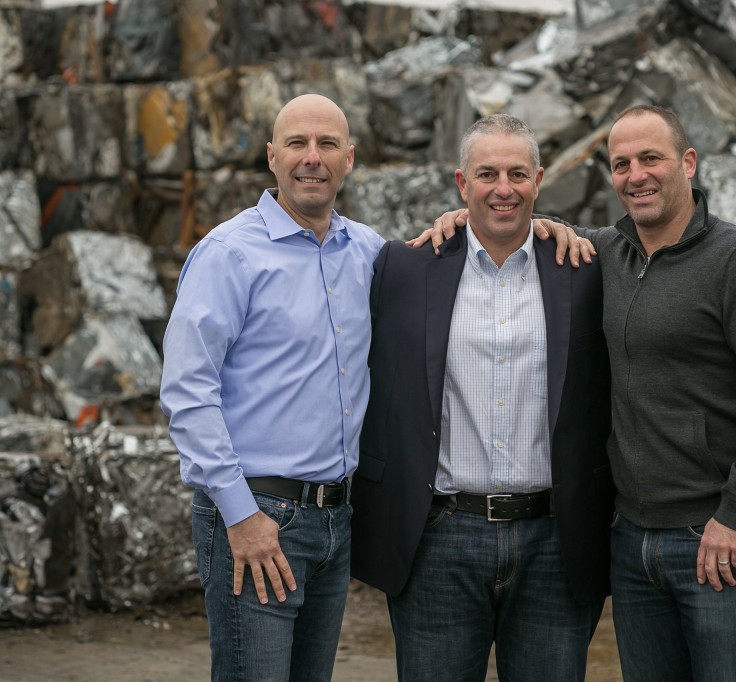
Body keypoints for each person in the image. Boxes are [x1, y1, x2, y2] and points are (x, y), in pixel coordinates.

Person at [160, 94, 588, 681]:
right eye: (297, 144)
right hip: (255, 513)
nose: (313, 159)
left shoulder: (370, 254)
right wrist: (239, 516)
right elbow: (187, 394)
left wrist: (520, 223)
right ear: (271, 157)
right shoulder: (228, 254)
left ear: (350, 159)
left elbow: (482, 227)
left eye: (327, 145)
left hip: (335, 520)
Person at [428, 104, 736, 681]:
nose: (636, 175)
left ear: (688, 162)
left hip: (726, 537)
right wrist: (460, 221)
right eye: (621, 163)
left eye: (651, 158)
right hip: (633, 544)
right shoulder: (602, 254)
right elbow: (514, 221)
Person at [349, 114, 614, 682]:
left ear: (539, 180)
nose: (503, 188)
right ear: (461, 184)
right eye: (486, 174)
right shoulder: (403, 266)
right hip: (439, 537)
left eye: (518, 174)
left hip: (554, 539)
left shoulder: (584, 266)